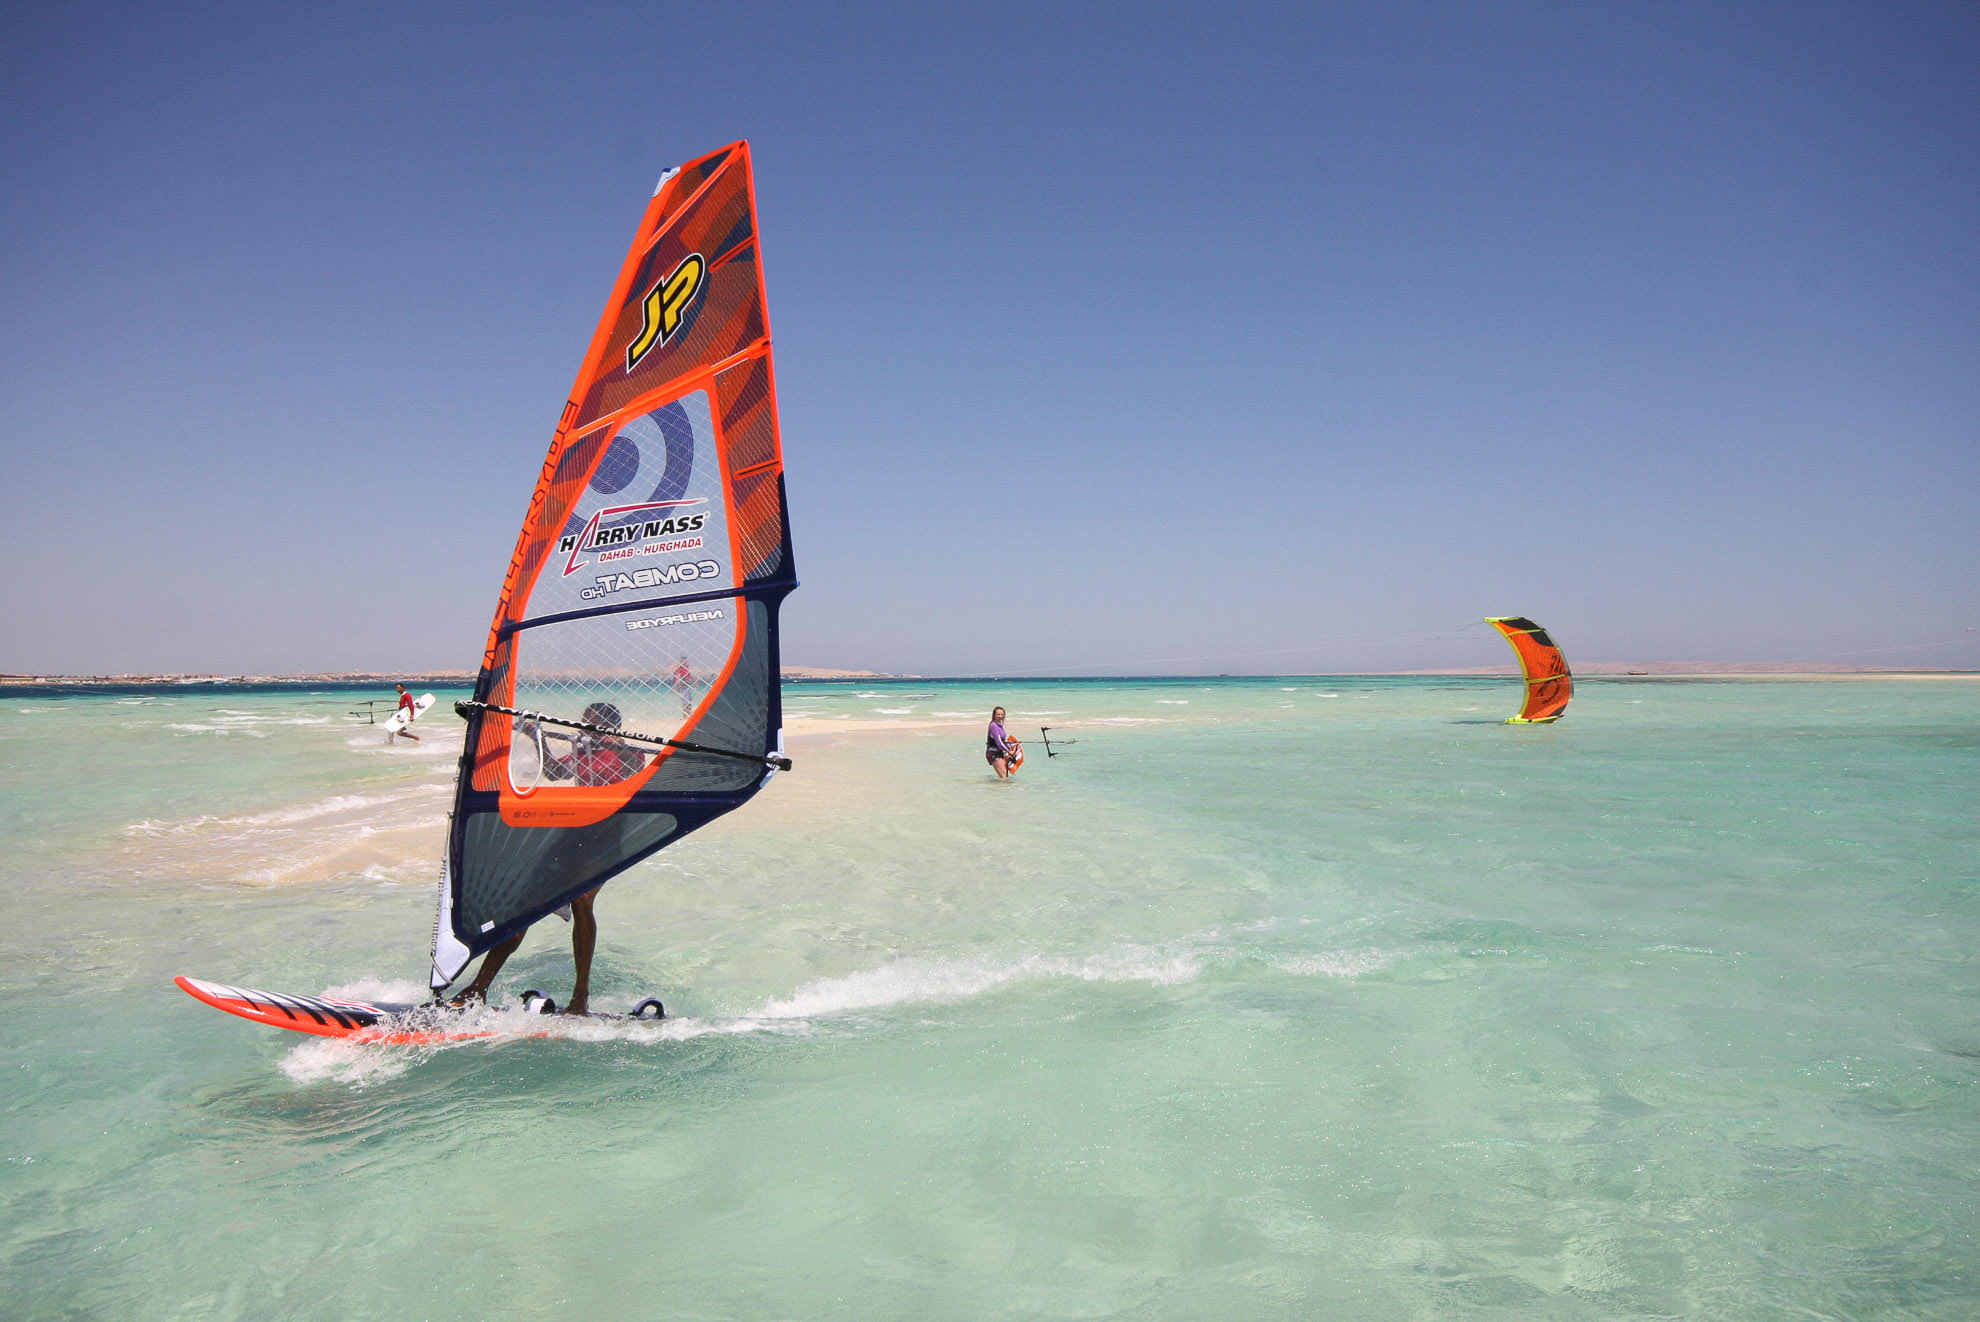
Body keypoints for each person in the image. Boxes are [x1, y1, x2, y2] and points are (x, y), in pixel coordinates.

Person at [452, 703, 643, 1015]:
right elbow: (555, 772)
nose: (584, 730)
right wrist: (533, 734)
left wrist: (617, 744)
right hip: (572, 836)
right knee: (525, 906)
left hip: (605, 841)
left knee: (582, 903)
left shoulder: (628, 752)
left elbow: (638, 771)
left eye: (591, 724)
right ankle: (478, 989)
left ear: (611, 727)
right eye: (583, 724)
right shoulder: (584, 750)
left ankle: (580, 998)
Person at [985, 705, 1017, 778]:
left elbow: (1005, 740)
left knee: (1005, 776)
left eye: (1002, 714)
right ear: (994, 715)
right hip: (993, 754)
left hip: (1000, 753)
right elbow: (999, 743)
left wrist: (1012, 746)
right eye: (998, 714)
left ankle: (1000, 789)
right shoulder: (993, 726)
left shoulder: (1000, 725)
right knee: (1003, 777)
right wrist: (1009, 752)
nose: (1000, 716)